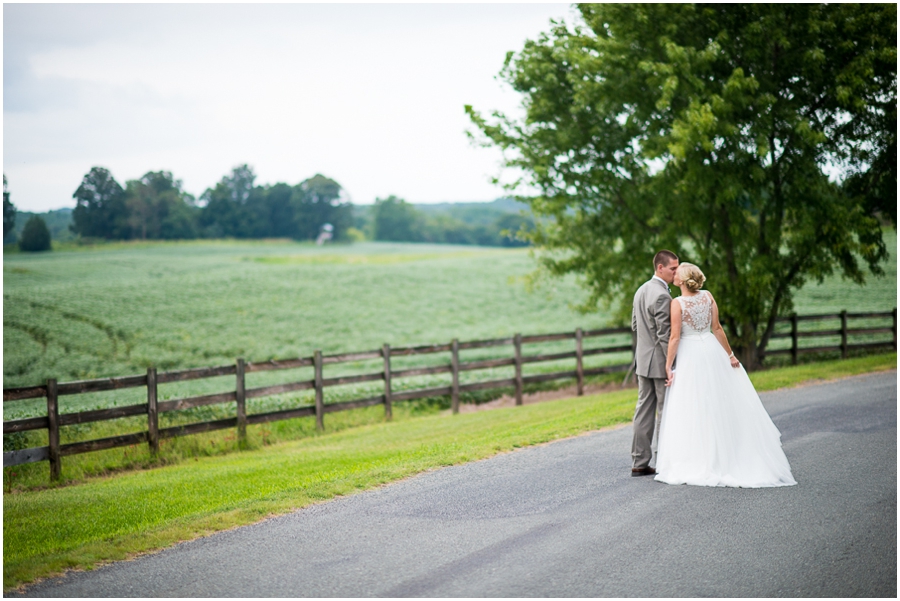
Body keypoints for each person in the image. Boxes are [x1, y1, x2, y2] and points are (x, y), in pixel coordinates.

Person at [654, 262, 797, 488]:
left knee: (693, 404)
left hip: (691, 355)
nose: (675, 272)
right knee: (717, 401)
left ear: (681, 280)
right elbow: (717, 328)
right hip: (711, 350)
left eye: (677, 271)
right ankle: (723, 454)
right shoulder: (708, 296)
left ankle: (699, 459)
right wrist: (729, 355)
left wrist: (668, 365)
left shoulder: (677, 303)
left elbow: (674, 337)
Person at [630, 250, 679, 476]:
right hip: (659, 363)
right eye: (673, 268)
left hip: (642, 362)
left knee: (643, 411)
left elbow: (635, 326)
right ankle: (662, 462)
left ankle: (639, 462)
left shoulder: (641, 290)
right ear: (660, 267)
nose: (675, 272)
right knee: (664, 410)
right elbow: (664, 335)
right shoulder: (662, 295)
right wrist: (672, 364)